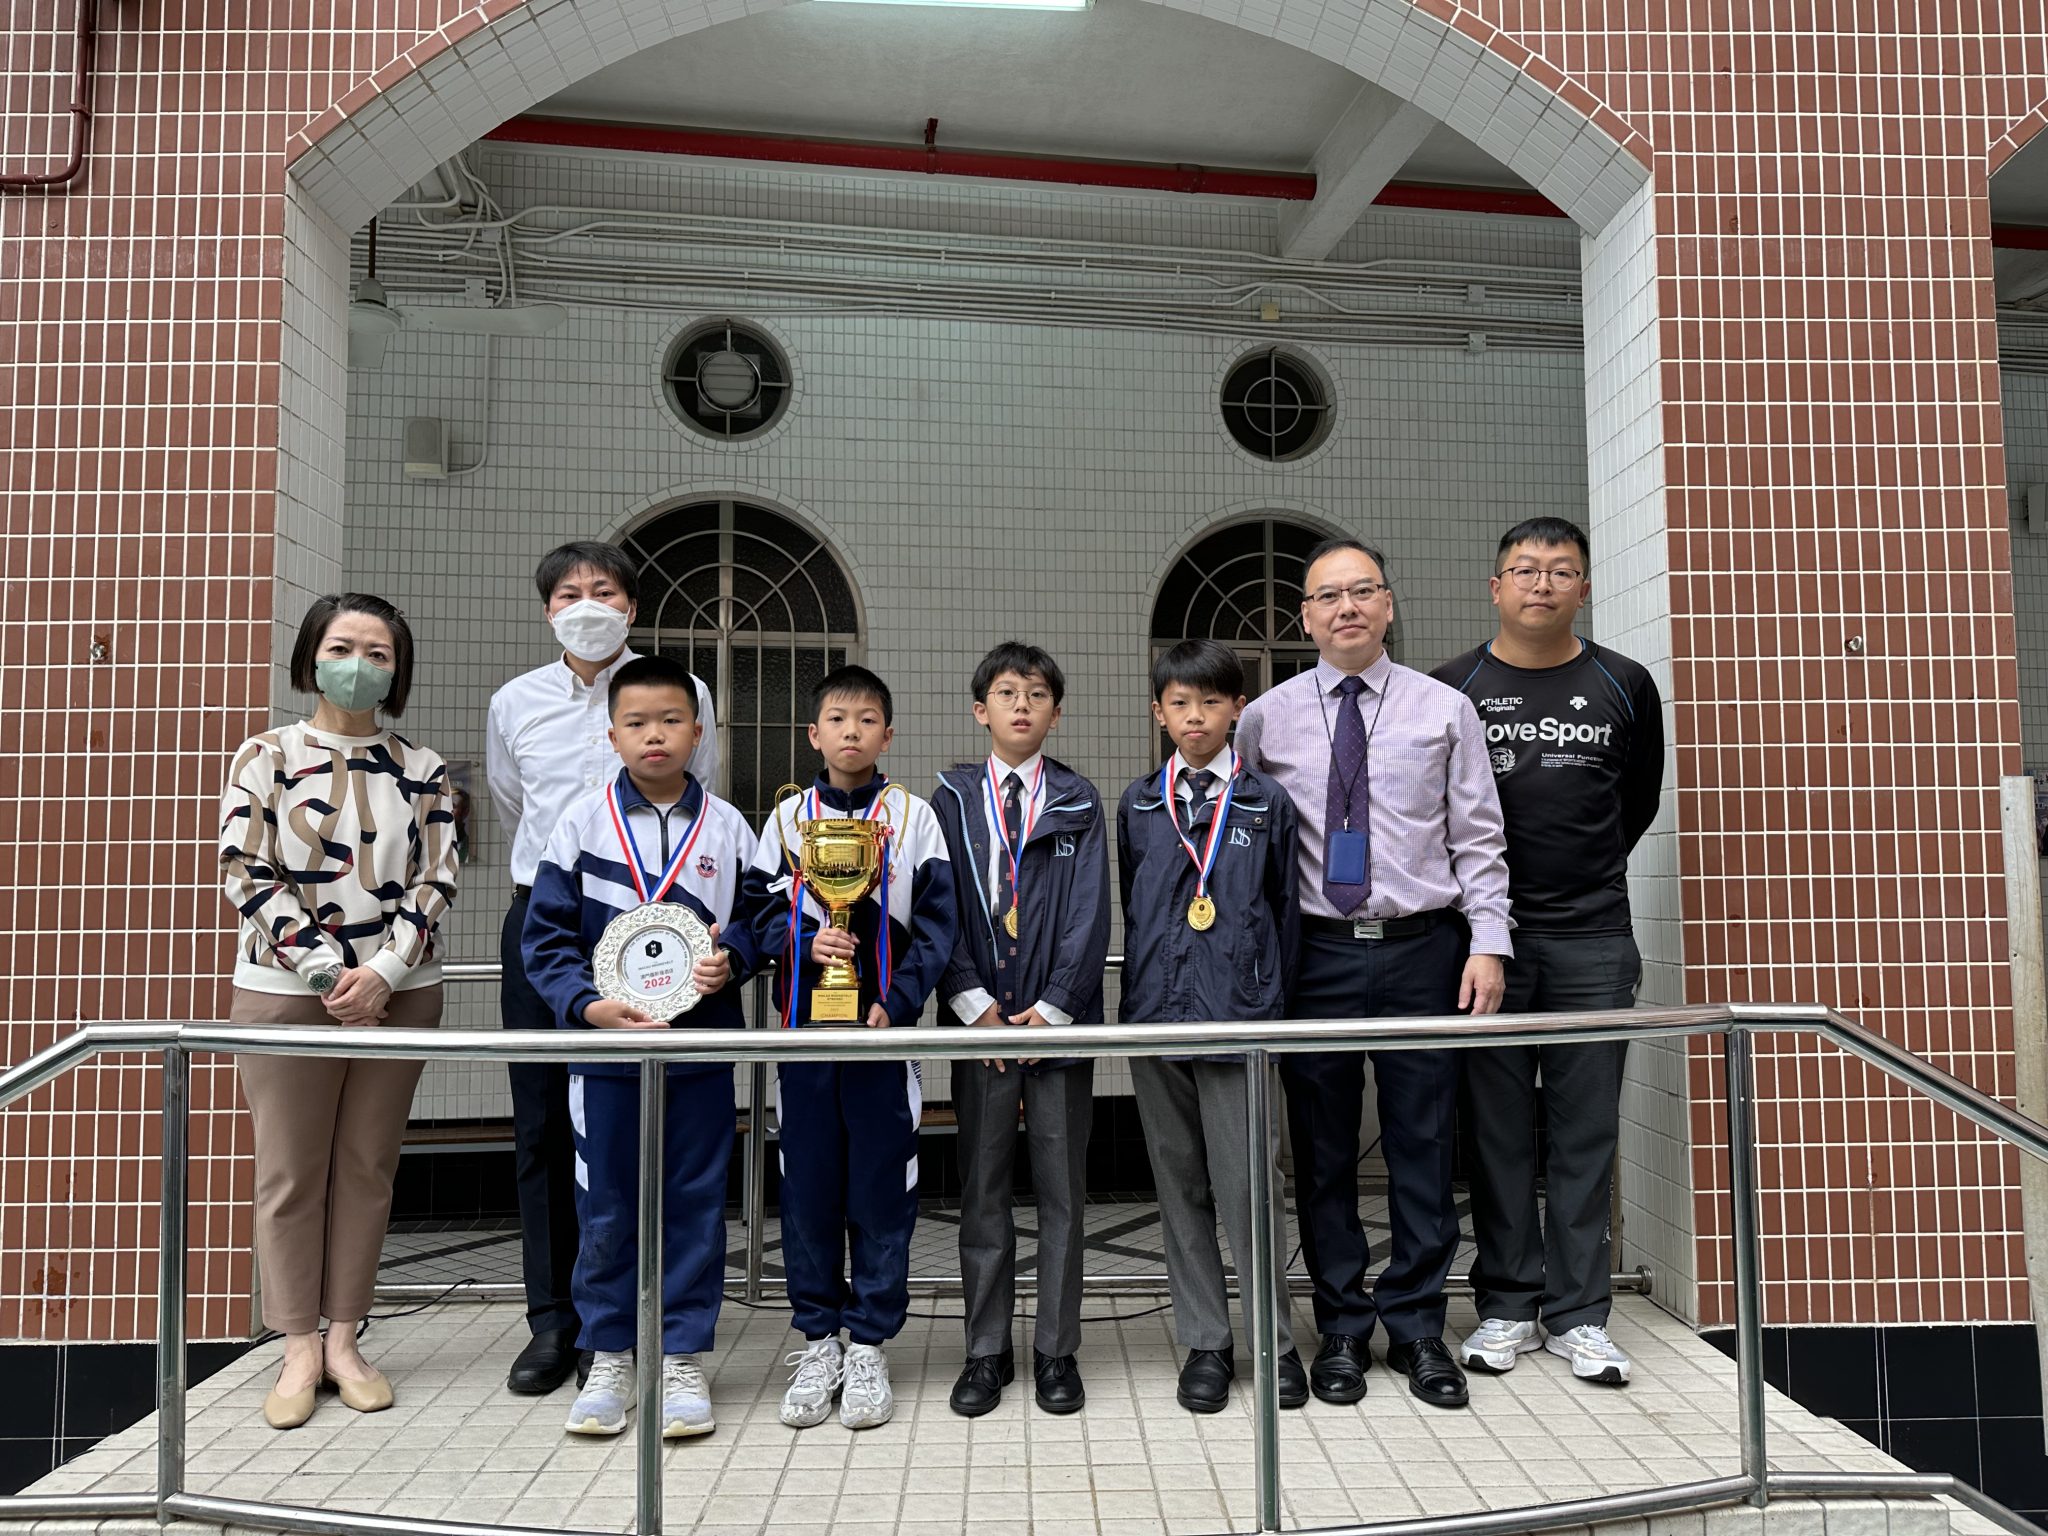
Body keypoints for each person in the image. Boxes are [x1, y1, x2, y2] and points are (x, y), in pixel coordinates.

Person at [1235, 537, 1512, 1411]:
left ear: (1388, 605)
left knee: (1423, 1145)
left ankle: (1420, 1326)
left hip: (1422, 948)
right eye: (1328, 596)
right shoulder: (1265, 719)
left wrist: (1488, 940)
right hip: (1313, 953)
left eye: (1362, 591)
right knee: (1320, 1151)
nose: (1346, 607)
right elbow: (1240, 847)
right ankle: (1343, 1329)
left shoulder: (1444, 710)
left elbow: (1478, 835)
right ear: (1305, 617)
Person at [218, 592, 459, 1430]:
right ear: (311, 658)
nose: (359, 666)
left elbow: (437, 876)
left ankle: (347, 1337)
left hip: (401, 993)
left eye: (379, 654)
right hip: (287, 993)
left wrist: (386, 970)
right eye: (342, 648)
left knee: (367, 1165)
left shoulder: (423, 767)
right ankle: (295, 1345)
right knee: (290, 1173)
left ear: (398, 670)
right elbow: (245, 868)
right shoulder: (266, 754)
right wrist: (328, 972)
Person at [1432, 517, 1664, 1386]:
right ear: (1495, 588)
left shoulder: (1624, 683)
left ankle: (1579, 1315)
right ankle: (1506, 1306)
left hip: (1593, 941)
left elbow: (1635, 802)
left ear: (1584, 588)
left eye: (1561, 571)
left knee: (1584, 1135)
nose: (1542, 584)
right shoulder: (1453, 687)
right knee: (1497, 1134)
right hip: (1483, 945)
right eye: (1525, 570)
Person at [485, 541, 719, 1397]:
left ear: (632, 605)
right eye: (569, 594)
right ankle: (558, 1322)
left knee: (655, 1130)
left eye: (605, 590)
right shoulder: (515, 702)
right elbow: (514, 803)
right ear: (547, 610)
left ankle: (638, 1320)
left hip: (657, 931)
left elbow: (697, 800)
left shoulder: (682, 691)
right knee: (545, 1126)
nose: (588, 605)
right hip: (549, 925)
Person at [521, 655, 762, 1439]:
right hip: (607, 1056)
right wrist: (586, 1005)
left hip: (699, 1051)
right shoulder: (581, 824)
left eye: (670, 720)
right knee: (607, 1205)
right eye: (636, 722)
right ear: (612, 736)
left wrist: (735, 959)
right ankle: (610, 1353)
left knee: (695, 1201)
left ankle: (683, 1355)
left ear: (698, 732)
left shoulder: (728, 827)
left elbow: (761, 919)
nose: (654, 735)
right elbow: (545, 940)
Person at [739, 666, 956, 1431]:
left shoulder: (914, 817)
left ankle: (868, 1343)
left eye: (866, 719)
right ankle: (818, 1339)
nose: (851, 731)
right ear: (813, 734)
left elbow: (938, 927)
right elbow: (756, 911)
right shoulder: (787, 818)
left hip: (879, 1038)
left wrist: (897, 1002)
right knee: (807, 1188)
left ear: (887, 734)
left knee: (881, 1190)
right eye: (837, 718)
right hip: (805, 1033)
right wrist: (804, 941)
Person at [1117, 640, 1309, 1415]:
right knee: (1180, 1187)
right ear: (1159, 713)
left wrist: (1267, 1000)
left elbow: (1286, 915)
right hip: (1155, 1020)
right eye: (1179, 703)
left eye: (1210, 701)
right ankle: (1205, 1342)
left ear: (1237, 708)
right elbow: (1135, 907)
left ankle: (1274, 1342)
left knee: (1250, 1187)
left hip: (1241, 1020)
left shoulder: (1265, 803)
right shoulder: (1139, 804)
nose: (1194, 716)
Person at [932, 643, 1109, 1417]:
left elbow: (1089, 913)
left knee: (1064, 1192)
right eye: (1006, 693)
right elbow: (938, 906)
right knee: (983, 1191)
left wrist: (1057, 1006)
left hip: (1057, 1028)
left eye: (1036, 694)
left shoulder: (1077, 799)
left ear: (1055, 713)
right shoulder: (950, 798)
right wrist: (973, 1003)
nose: (1022, 706)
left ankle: (1057, 1351)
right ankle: (986, 1350)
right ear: (981, 710)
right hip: (982, 1028)